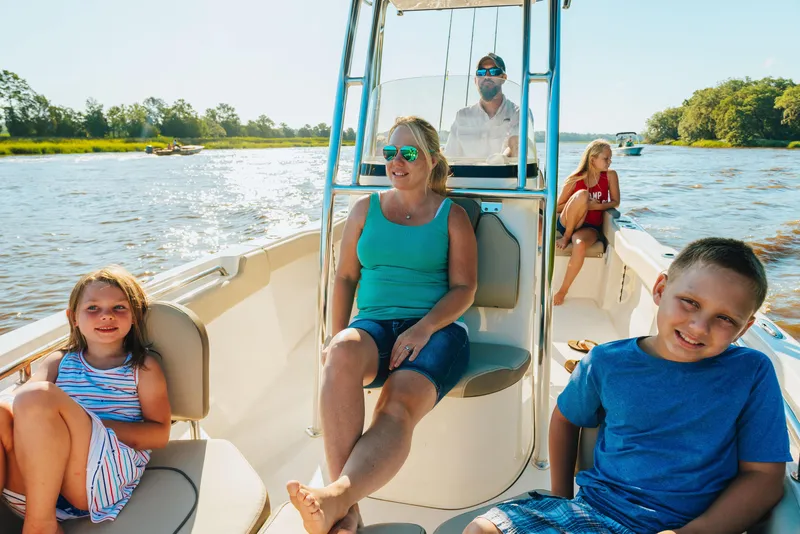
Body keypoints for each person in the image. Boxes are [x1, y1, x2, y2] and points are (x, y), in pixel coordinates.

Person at [465, 237, 791, 534]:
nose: (699, 326)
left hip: (686, 526)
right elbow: (565, 418)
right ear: (661, 289)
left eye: (725, 319)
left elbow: (765, 477)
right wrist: (561, 498)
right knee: (481, 530)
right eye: (690, 302)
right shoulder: (606, 362)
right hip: (593, 513)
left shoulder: (751, 372)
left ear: (744, 328)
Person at [287, 116, 478, 534]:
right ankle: (346, 508)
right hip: (373, 327)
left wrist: (424, 327)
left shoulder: (453, 216)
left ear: (431, 160)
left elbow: (465, 289)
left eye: (408, 153)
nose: (396, 161)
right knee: (340, 353)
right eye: (390, 152)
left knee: (395, 402)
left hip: (437, 330)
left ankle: (337, 502)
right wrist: (336, 334)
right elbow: (344, 278)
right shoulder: (364, 209)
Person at [0, 266, 171, 534]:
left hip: (97, 484)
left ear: (135, 316)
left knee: (39, 396)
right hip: (33, 490)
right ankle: (39, 514)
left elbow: (160, 434)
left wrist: (82, 427)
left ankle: (42, 527)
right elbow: (20, 406)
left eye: (119, 307)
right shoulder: (58, 362)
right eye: (93, 308)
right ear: (73, 318)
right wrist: (56, 430)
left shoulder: (143, 368)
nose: (106, 315)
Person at [553, 139, 620, 306]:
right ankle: (566, 236)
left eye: (610, 158)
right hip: (568, 223)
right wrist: (581, 203)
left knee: (580, 243)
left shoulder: (610, 175)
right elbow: (557, 207)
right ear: (592, 159)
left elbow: (615, 201)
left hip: (590, 227)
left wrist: (595, 206)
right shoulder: (575, 179)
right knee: (582, 194)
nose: (609, 162)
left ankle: (563, 291)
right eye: (606, 158)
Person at [444, 53, 524, 160]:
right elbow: (450, 156)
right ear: (475, 80)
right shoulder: (462, 115)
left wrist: (500, 161)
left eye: (493, 71)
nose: (486, 76)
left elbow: (515, 146)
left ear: (504, 78)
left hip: (504, 171)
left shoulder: (519, 114)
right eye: (481, 73)